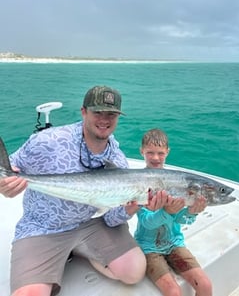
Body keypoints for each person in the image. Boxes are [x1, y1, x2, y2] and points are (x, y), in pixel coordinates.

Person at [0, 86, 168, 296]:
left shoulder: (117, 159)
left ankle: (80, 252)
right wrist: (6, 186)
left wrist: (131, 208)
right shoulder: (49, 141)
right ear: (83, 112)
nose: (104, 119)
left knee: (133, 272)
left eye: (111, 114)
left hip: (92, 222)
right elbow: (11, 168)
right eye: (98, 112)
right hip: (45, 226)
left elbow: (111, 218)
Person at [134, 128, 212, 296]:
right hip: (148, 248)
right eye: (150, 152)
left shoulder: (178, 182)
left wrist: (192, 212)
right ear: (142, 152)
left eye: (160, 153)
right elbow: (146, 222)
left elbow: (182, 220)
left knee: (205, 285)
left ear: (168, 152)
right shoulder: (137, 182)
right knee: (173, 292)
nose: (155, 158)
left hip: (174, 243)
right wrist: (167, 212)